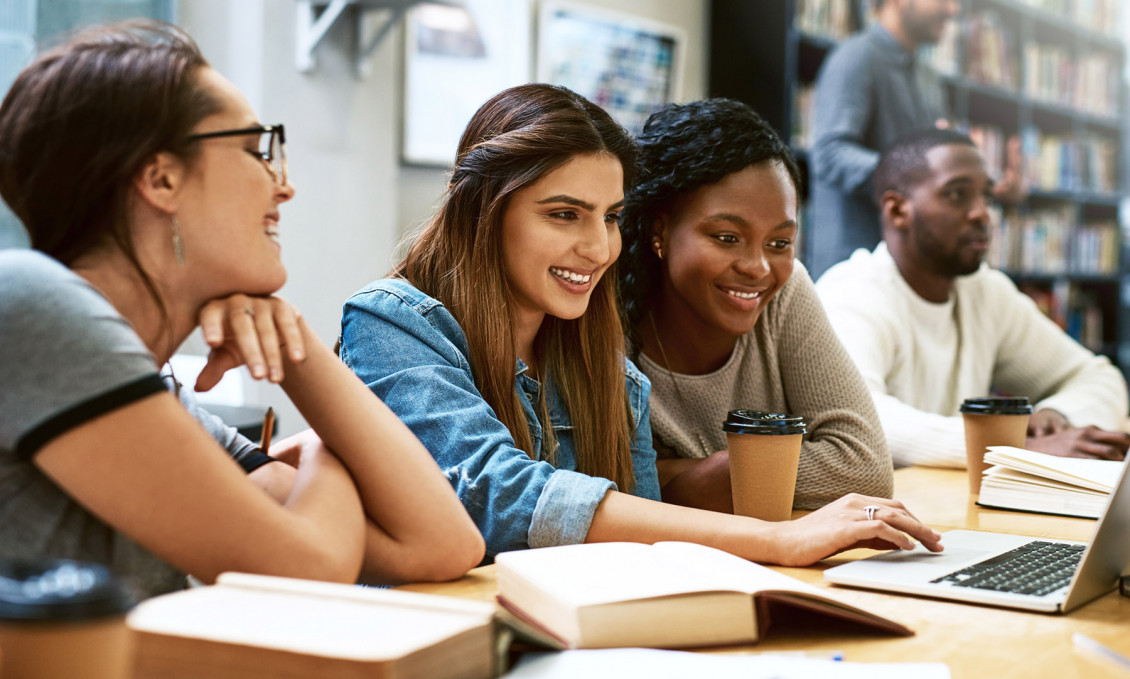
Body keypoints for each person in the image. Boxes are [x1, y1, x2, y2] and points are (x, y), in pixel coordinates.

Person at [339, 83, 943, 568]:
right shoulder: (390, 324)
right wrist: (780, 541)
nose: (597, 247)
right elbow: (500, 497)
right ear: (484, 210)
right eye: (564, 215)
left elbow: (644, 543)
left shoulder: (601, 360)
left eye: (609, 218)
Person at [0, 20, 483, 599]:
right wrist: (330, 444)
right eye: (256, 151)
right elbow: (310, 567)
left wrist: (298, 349)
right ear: (161, 178)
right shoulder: (29, 304)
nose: (283, 187)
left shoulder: (159, 396)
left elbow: (442, 543)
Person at [616, 98, 893, 514]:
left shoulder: (785, 291)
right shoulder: (605, 310)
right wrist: (755, 471)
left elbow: (865, 468)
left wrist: (690, 475)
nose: (759, 267)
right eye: (727, 237)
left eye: (779, 243)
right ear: (661, 228)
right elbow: (597, 485)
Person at [816, 128, 1130, 467]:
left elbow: (1099, 377)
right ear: (897, 210)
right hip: (871, 512)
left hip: (948, 506)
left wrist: (1056, 414)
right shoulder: (852, 293)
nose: (982, 213)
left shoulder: (985, 292)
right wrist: (1012, 448)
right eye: (957, 195)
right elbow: (860, 419)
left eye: (987, 197)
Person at [807, 0, 959, 278]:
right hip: (854, 274)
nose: (952, 10)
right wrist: (912, 172)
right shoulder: (854, 58)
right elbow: (829, 154)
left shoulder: (929, 78)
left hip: (909, 271)